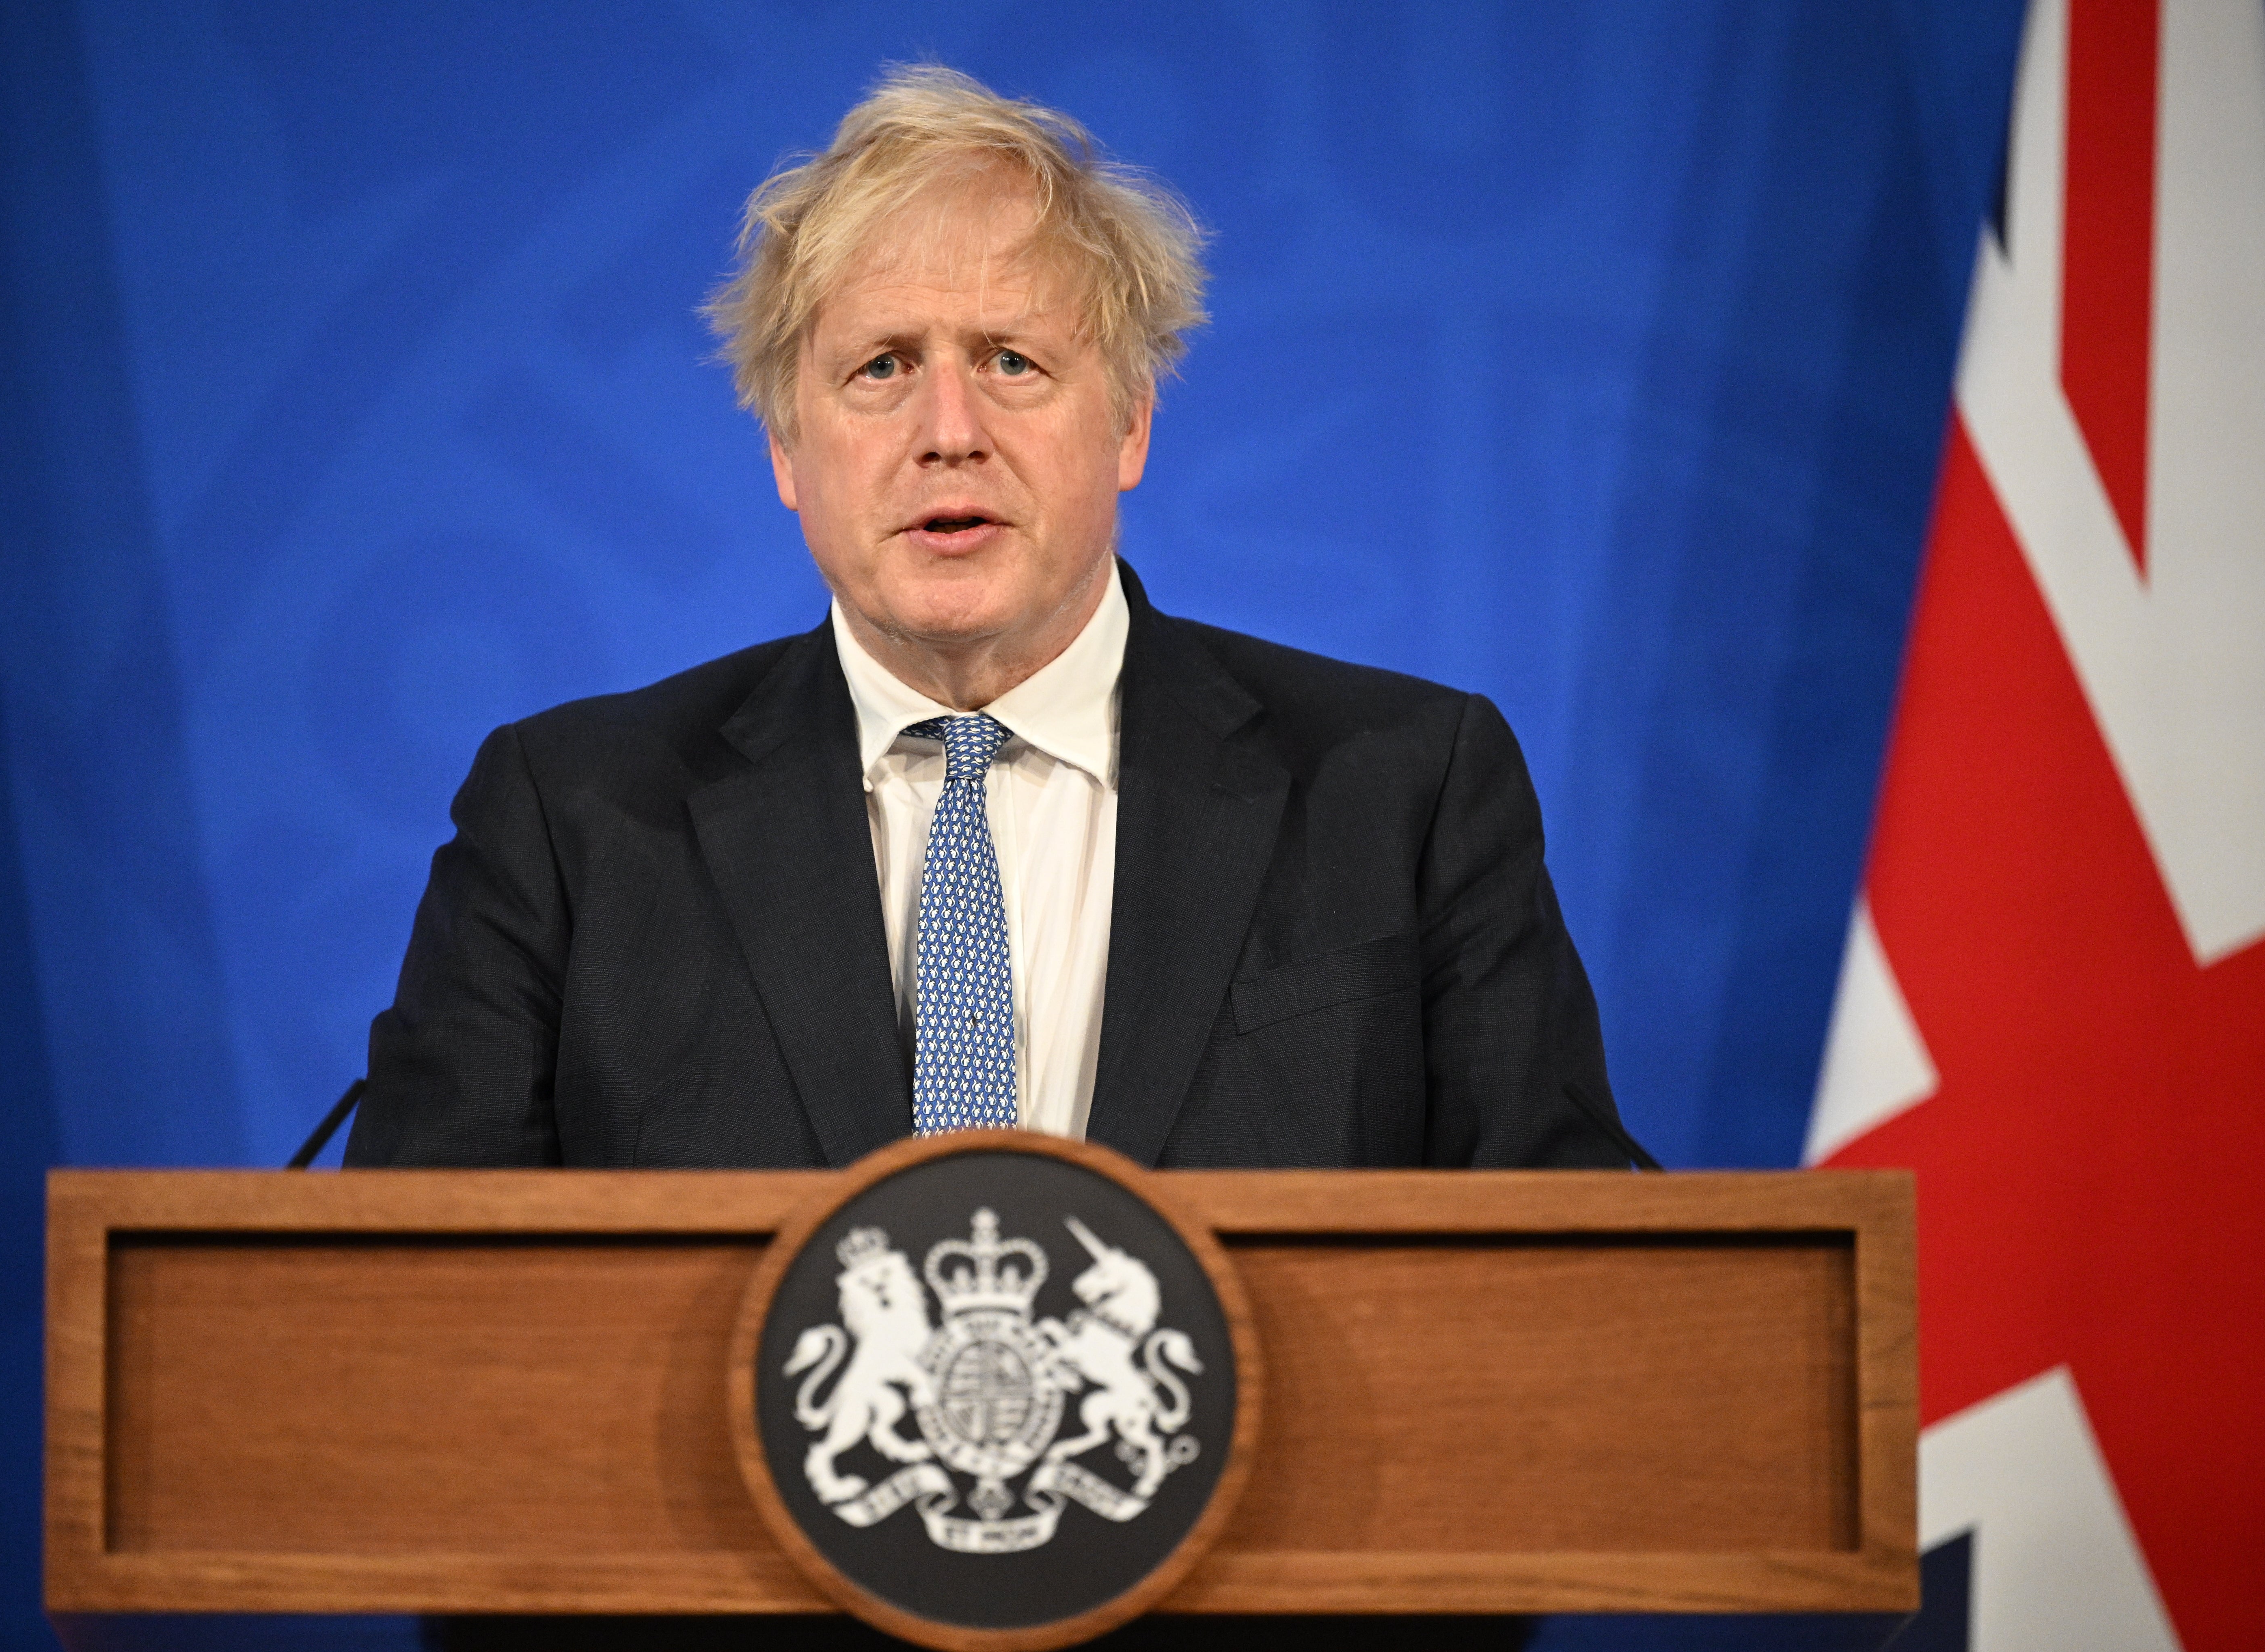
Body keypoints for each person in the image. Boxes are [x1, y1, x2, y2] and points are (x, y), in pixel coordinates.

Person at [345, 66, 1645, 1172]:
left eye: (1013, 362)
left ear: (1130, 420)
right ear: (789, 448)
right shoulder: (572, 824)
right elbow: (404, 1305)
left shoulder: (1404, 793)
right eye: (881, 368)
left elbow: (1573, 1276)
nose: (949, 434)